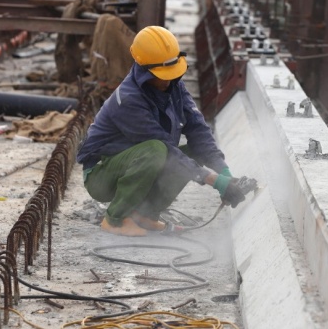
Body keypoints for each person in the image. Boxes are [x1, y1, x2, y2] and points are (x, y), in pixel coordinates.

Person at [77, 25, 247, 237]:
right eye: (162, 75)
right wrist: (213, 181)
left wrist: (224, 173)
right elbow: (165, 148)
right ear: (145, 70)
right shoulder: (129, 99)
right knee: (157, 151)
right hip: (102, 173)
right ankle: (115, 219)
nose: (168, 80)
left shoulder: (173, 85)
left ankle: (144, 213)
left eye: (172, 73)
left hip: (135, 163)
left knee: (193, 151)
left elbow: (198, 129)